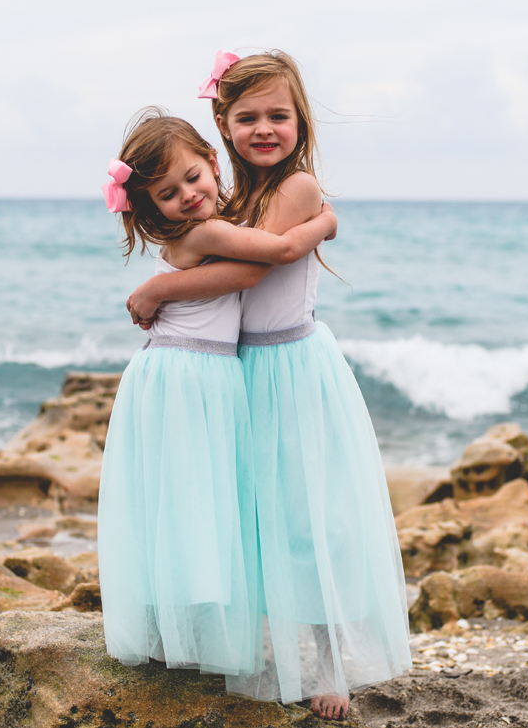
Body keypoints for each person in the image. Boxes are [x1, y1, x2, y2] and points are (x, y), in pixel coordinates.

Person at [126, 53, 411, 720]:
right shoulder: (229, 198)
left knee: (308, 519)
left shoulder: (297, 189)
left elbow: (251, 273)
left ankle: (331, 662)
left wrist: (160, 286)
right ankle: (265, 645)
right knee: (254, 520)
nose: (264, 129)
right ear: (221, 126)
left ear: (299, 119)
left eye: (278, 115)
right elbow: (214, 247)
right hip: (239, 369)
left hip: (290, 367)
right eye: (247, 117)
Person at [97, 109, 338, 681]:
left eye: (192, 179)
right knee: (187, 504)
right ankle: (175, 637)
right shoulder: (204, 231)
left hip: (195, 374)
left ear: (212, 161)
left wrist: (157, 287)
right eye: (167, 193)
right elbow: (268, 260)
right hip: (189, 375)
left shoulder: (220, 217)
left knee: (185, 504)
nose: (186, 195)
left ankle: (170, 637)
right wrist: (326, 222)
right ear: (150, 206)